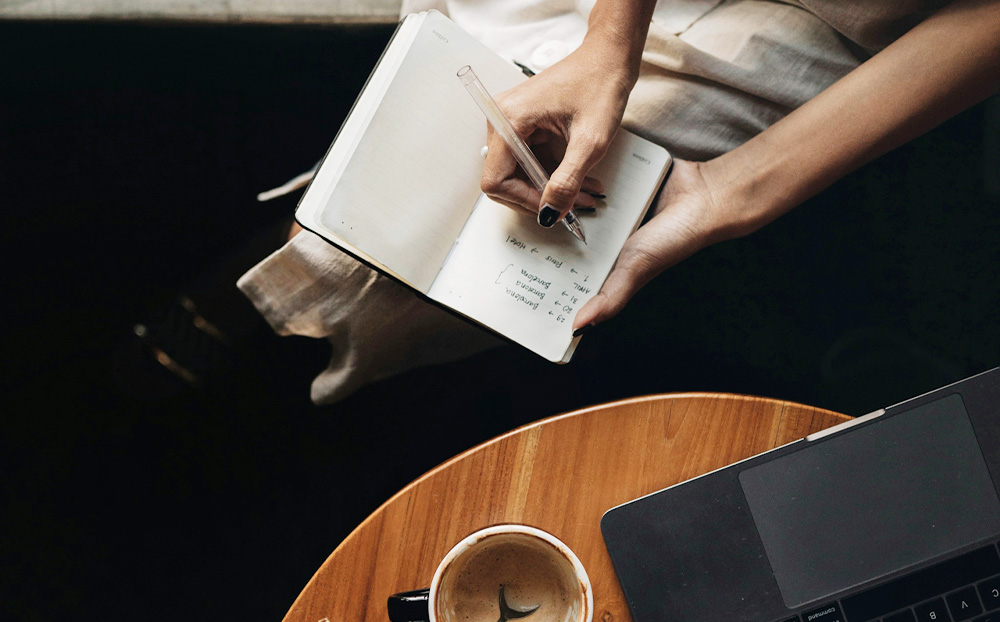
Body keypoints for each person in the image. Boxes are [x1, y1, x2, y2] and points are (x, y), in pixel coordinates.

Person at [237, 0, 1000, 404]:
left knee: (524, 232)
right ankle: (279, 276)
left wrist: (734, 186)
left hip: (855, 23)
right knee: (437, 120)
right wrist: (610, 41)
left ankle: (298, 305)